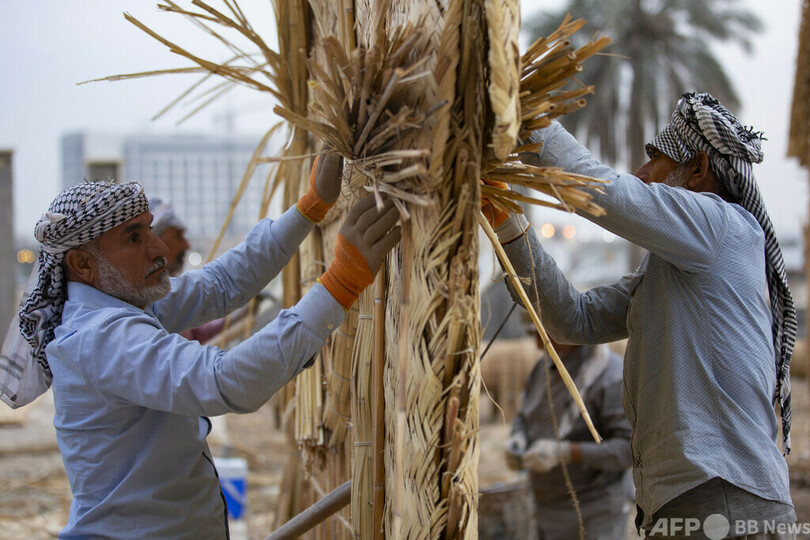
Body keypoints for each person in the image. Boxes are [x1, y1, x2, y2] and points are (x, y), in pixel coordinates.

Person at [5, 153, 400, 538]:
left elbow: (220, 284)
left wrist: (308, 209)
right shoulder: (100, 337)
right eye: (134, 238)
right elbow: (226, 381)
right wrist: (340, 284)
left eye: (149, 230)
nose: (159, 249)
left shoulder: (122, 300)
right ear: (83, 265)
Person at [485, 92, 797, 539]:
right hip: (686, 503)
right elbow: (573, 319)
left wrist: (527, 120)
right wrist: (507, 221)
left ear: (698, 170)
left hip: (724, 498)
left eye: (657, 160)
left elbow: (611, 193)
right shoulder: (665, 276)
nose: (642, 173)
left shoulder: (722, 226)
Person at [505, 325, 633, 540]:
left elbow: (628, 450)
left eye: (544, 334)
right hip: (546, 507)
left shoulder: (610, 376)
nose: (538, 344)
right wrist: (518, 437)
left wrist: (566, 452)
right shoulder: (542, 369)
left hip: (594, 511)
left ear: (572, 330)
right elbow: (524, 415)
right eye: (535, 334)